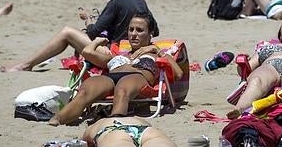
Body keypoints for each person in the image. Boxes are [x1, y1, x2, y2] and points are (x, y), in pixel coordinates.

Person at [1, 0, 159, 72]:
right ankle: (28, 64)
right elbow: (155, 30)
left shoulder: (116, 2)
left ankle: (26, 65)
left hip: (117, 54)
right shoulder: (140, 0)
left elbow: (93, 33)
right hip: (131, 50)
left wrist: (88, 19)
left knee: (67, 32)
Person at [49, 14, 183, 126]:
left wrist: (157, 50)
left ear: (150, 34)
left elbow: (178, 73)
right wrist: (96, 42)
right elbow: (87, 52)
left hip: (136, 76)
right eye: (131, 30)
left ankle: (113, 123)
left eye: (139, 30)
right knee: (84, 92)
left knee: (122, 90)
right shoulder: (118, 54)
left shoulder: (155, 54)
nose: (133, 34)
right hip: (110, 77)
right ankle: (58, 119)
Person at [82, 116, 178, 147]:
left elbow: (84, 143)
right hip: (145, 130)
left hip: (114, 131)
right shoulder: (136, 118)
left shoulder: (97, 124)